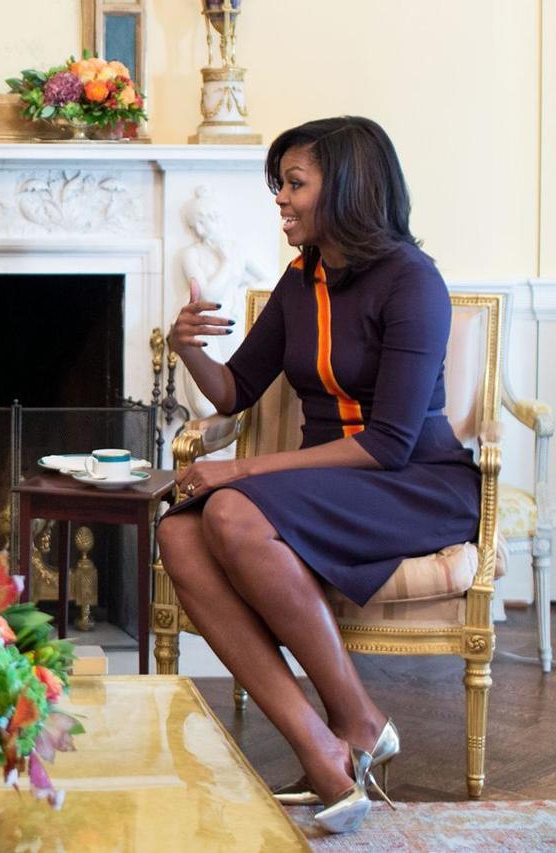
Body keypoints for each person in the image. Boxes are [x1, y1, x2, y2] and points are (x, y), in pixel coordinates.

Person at [156, 116, 479, 834]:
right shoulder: (301, 278)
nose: (281, 199)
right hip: (329, 482)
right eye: (281, 184)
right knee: (179, 537)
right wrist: (186, 348)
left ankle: (358, 719)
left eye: (294, 183)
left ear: (348, 189)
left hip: (415, 483)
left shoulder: (413, 282)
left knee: (231, 511)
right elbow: (236, 390)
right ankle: (322, 748)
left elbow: (389, 444)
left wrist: (236, 470)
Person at [178, 186, 266, 417]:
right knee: (206, 401)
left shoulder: (237, 250)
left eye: (205, 221)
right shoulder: (191, 254)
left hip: (232, 325)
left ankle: (234, 444)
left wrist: (244, 289)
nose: (199, 229)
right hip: (205, 328)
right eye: (195, 223)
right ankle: (212, 446)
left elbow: (268, 280)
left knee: (238, 386)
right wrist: (227, 265)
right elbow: (207, 297)